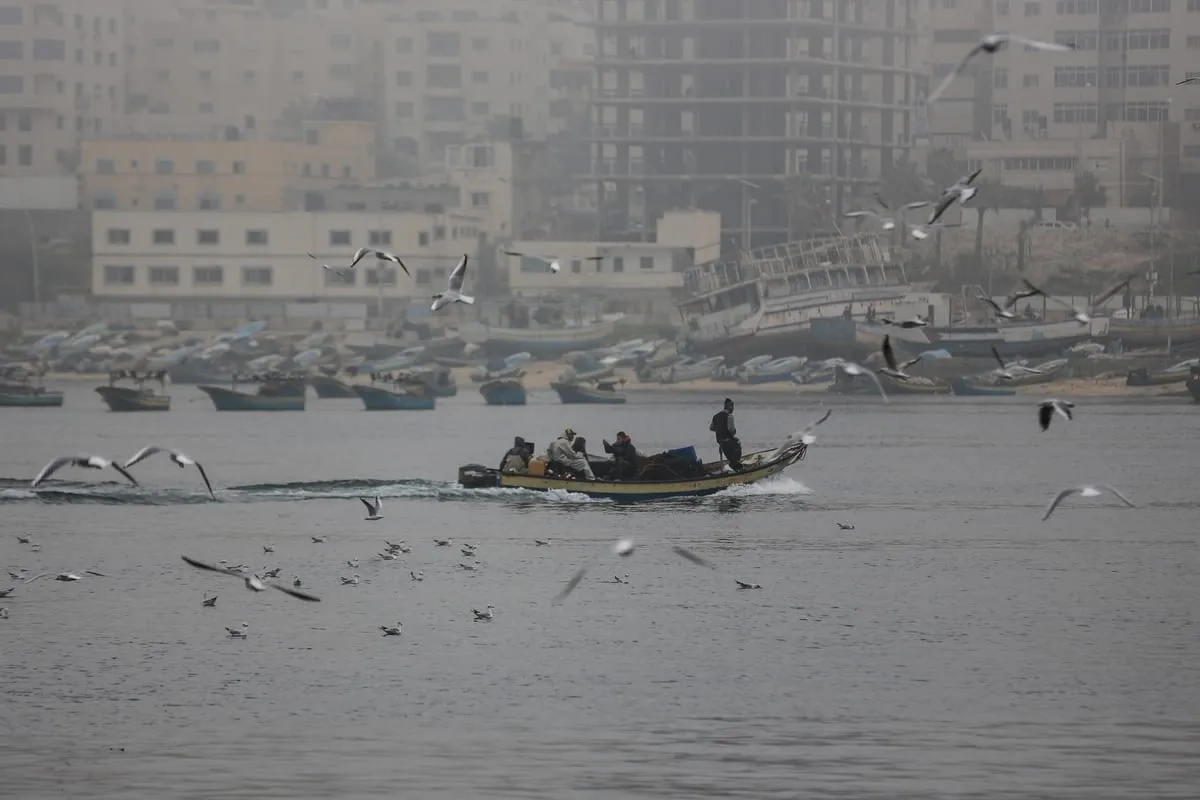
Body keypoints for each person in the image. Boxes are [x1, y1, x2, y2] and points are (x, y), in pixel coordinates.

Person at [709, 398, 742, 470]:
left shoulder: (715, 416)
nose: (733, 409)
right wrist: (734, 432)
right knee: (738, 442)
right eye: (732, 406)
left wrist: (720, 429)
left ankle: (733, 463)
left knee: (730, 454)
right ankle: (735, 463)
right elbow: (731, 430)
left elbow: (711, 428)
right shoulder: (729, 416)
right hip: (728, 441)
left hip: (720, 441)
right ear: (728, 406)